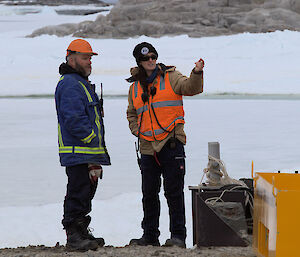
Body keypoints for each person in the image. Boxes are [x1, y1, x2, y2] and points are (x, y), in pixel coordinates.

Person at [126, 42, 204, 248]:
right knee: (149, 193)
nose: (151, 60)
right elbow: (131, 113)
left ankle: (178, 237)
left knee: (173, 193)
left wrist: (196, 72)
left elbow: (191, 88)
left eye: (153, 56)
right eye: (146, 58)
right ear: (139, 62)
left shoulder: (171, 77)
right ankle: (150, 236)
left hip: (171, 144)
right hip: (147, 148)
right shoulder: (134, 87)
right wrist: (136, 130)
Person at [55, 39, 111, 251]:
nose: (89, 62)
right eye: (85, 58)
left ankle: (81, 231)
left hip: (86, 152)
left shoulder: (80, 83)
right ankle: (73, 235)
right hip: (79, 152)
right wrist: (90, 139)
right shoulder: (70, 84)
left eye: (90, 58)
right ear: (71, 58)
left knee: (85, 192)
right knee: (78, 191)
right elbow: (73, 119)